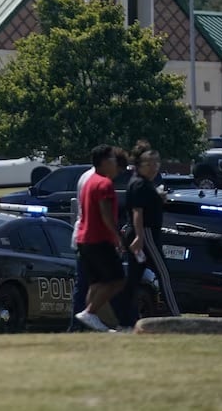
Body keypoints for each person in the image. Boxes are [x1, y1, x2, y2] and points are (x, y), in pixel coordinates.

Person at [113, 141, 181, 325]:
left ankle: (123, 318)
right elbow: (137, 212)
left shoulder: (146, 184)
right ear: (139, 165)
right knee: (163, 273)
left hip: (143, 235)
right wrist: (139, 238)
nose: (153, 167)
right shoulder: (139, 184)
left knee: (134, 279)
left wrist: (159, 199)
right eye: (149, 164)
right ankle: (176, 315)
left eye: (156, 163)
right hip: (146, 234)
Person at [69, 148, 128, 333]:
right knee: (117, 280)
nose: (115, 164)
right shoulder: (103, 184)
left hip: (83, 238)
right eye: (112, 160)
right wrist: (118, 236)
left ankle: (87, 323)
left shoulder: (88, 182)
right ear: (103, 162)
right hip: (98, 239)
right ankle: (90, 312)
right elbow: (106, 215)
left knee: (95, 284)